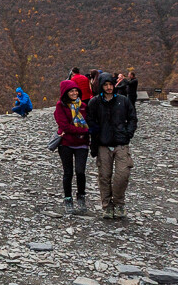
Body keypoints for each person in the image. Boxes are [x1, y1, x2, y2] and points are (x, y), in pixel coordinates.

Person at [87, 72, 137, 219]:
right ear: (101, 86)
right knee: (104, 176)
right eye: (105, 85)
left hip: (121, 143)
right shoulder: (95, 102)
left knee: (122, 175)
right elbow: (90, 120)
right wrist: (96, 134)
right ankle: (107, 206)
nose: (108, 87)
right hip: (103, 144)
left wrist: (128, 133)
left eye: (110, 84)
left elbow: (132, 118)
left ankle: (119, 202)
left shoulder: (123, 100)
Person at [53, 79, 91, 214]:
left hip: (82, 144)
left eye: (76, 91)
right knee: (68, 172)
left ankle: (81, 197)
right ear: (65, 93)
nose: (74, 93)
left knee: (80, 172)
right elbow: (64, 126)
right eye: (71, 91)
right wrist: (84, 131)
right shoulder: (60, 106)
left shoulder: (84, 106)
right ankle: (68, 199)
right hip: (66, 143)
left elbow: (90, 121)